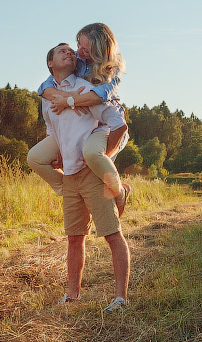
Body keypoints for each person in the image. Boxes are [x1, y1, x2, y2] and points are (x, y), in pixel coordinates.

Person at [41, 42, 131, 313]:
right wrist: (58, 155)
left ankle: (120, 298)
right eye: (62, 51)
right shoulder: (47, 96)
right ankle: (72, 296)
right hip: (69, 176)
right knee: (74, 238)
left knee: (112, 234)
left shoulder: (84, 88)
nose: (70, 52)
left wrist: (106, 156)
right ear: (50, 63)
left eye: (72, 50)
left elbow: (115, 122)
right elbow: (51, 131)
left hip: (91, 173)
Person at [27, 23, 130, 214]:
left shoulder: (111, 71)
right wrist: (61, 144)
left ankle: (119, 192)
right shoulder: (76, 59)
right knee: (35, 158)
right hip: (78, 127)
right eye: (78, 45)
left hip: (105, 126)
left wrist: (70, 100)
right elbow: (45, 86)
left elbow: (100, 96)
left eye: (85, 49)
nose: (78, 52)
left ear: (99, 53)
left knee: (92, 158)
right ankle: (69, 190)